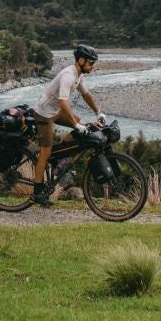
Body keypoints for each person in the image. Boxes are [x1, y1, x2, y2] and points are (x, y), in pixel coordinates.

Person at [31, 43, 101, 206]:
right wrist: (74, 124)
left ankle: (58, 157)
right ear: (81, 61)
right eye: (91, 62)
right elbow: (63, 102)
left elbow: (87, 95)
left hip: (56, 111)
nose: (93, 66)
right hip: (44, 113)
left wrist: (99, 112)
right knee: (45, 151)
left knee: (86, 126)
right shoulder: (69, 75)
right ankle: (36, 193)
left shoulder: (79, 75)